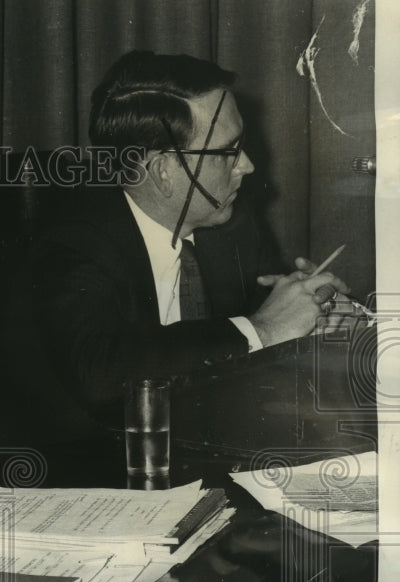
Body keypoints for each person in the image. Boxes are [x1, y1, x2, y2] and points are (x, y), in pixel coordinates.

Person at [25, 50, 352, 412]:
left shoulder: (233, 225)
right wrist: (264, 329)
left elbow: (255, 323)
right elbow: (100, 372)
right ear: (164, 170)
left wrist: (312, 311)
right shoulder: (71, 246)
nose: (248, 165)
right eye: (228, 152)